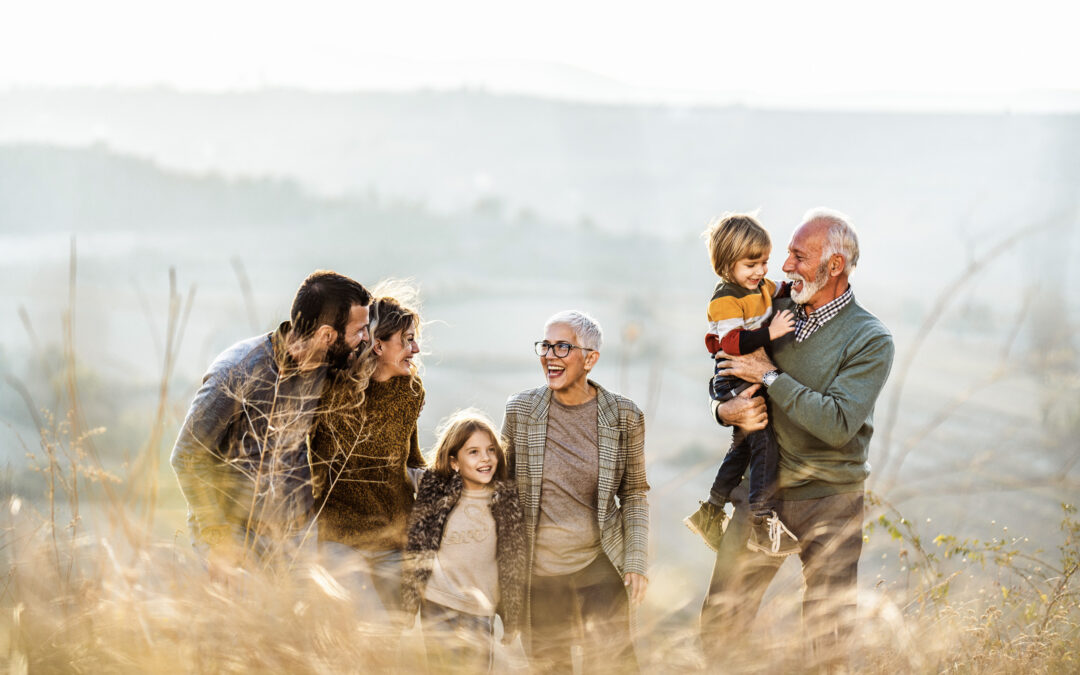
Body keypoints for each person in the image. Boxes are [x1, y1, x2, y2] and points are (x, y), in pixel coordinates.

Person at [700, 208, 895, 671]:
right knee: (720, 625)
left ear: (834, 267)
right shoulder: (774, 308)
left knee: (826, 640)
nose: (784, 266)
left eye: (797, 256)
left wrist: (769, 376)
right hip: (760, 490)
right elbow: (725, 370)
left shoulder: (870, 339)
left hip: (829, 498)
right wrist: (723, 410)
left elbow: (837, 423)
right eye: (786, 253)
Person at [170, 270, 371, 579]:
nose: (365, 339)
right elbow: (186, 455)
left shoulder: (327, 365)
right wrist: (218, 538)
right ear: (327, 336)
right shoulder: (237, 372)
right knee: (244, 627)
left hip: (295, 537)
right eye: (359, 330)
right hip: (236, 537)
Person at [501, 310, 649, 674]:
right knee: (551, 667)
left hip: (597, 566)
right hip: (540, 575)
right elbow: (500, 489)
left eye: (562, 347)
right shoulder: (520, 411)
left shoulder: (624, 416)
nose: (550, 355)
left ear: (590, 359)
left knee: (616, 665)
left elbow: (634, 493)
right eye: (546, 346)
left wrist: (636, 560)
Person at [683, 212, 799, 556]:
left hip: (745, 376)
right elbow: (733, 342)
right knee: (765, 445)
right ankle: (761, 522)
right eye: (752, 264)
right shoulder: (725, 300)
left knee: (743, 448)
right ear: (727, 263)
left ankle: (711, 511)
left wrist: (793, 286)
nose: (761, 270)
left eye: (764, 261)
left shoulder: (759, 286)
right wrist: (771, 333)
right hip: (732, 378)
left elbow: (779, 288)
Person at [309, 292, 426, 621]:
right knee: (366, 630)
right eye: (407, 341)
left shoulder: (411, 392)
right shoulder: (331, 390)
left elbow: (411, 460)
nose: (415, 350)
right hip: (340, 541)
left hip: (393, 543)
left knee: (393, 636)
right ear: (378, 345)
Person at [403, 409, 526, 672]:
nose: (486, 458)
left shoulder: (505, 500)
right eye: (474, 452)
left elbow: (514, 560)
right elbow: (398, 470)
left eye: (491, 450)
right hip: (437, 604)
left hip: (479, 611)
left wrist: (513, 615)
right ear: (454, 462)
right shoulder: (435, 489)